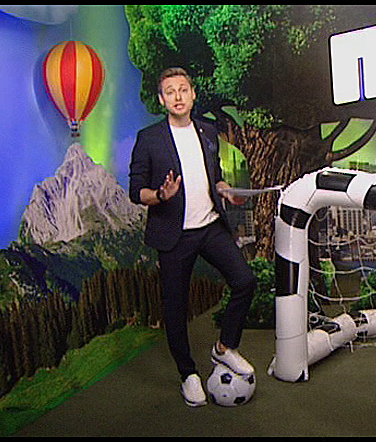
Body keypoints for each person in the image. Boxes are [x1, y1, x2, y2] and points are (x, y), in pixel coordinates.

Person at [129, 67, 257, 407]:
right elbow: (135, 191)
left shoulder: (208, 130)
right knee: (175, 309)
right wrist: (161, 195)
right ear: (162, 100)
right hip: (174, 236)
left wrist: (224, 189)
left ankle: (224, 348)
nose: (178, 96)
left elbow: (214, 176)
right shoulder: (149, 138)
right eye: (170, 91)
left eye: (183, 89)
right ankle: (188, 374)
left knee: (245, 281)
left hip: (211, 227)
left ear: (193, 94)